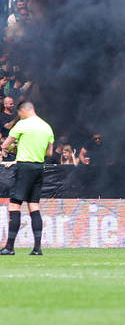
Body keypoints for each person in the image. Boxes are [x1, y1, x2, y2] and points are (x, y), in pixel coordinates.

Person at [1, 101, 54, 255]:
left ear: (23, 111)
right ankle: (37, 248)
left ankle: (9, 247)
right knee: (34, 206)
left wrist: (16, 146)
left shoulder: (23, 124)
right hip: (39, 168)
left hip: (25, 167)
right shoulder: (47, 127)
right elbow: (49, 153)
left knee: (15, 205)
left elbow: (5, 145)